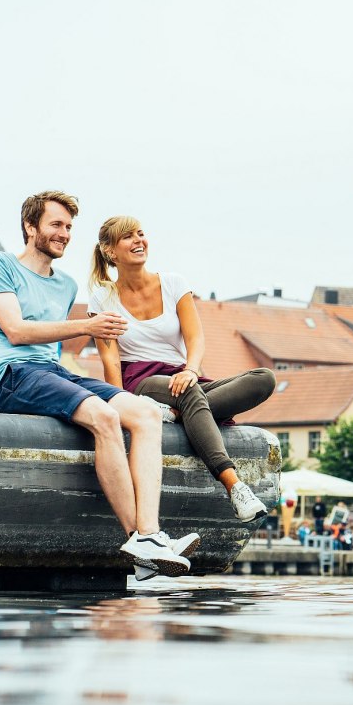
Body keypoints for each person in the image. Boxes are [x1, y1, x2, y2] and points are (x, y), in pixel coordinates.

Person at [0, 191, 197, 580]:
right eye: (55, 225)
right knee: (103, 416)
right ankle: (138, 538)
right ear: (31, 227)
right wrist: (87, 326)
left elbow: (51, 349)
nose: (64, 234)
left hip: (50, 372)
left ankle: (152, 535)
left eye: (69, 227)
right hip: (9, 375)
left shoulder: (66, 285)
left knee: (145, 413)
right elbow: (16, 330)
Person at [87, 215, 275, 522]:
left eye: (141, 233)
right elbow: (110, 362)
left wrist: (191, 369)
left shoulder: (174, 284)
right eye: (128, 237)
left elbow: (195, 337)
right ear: (110, 251)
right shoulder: (102, 298)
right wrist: (124, 404)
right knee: (189, 393)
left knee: (263, 378)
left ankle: (174, 414)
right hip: (142, 382)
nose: (138, 240)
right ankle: (234, 485)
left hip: (185, 377)